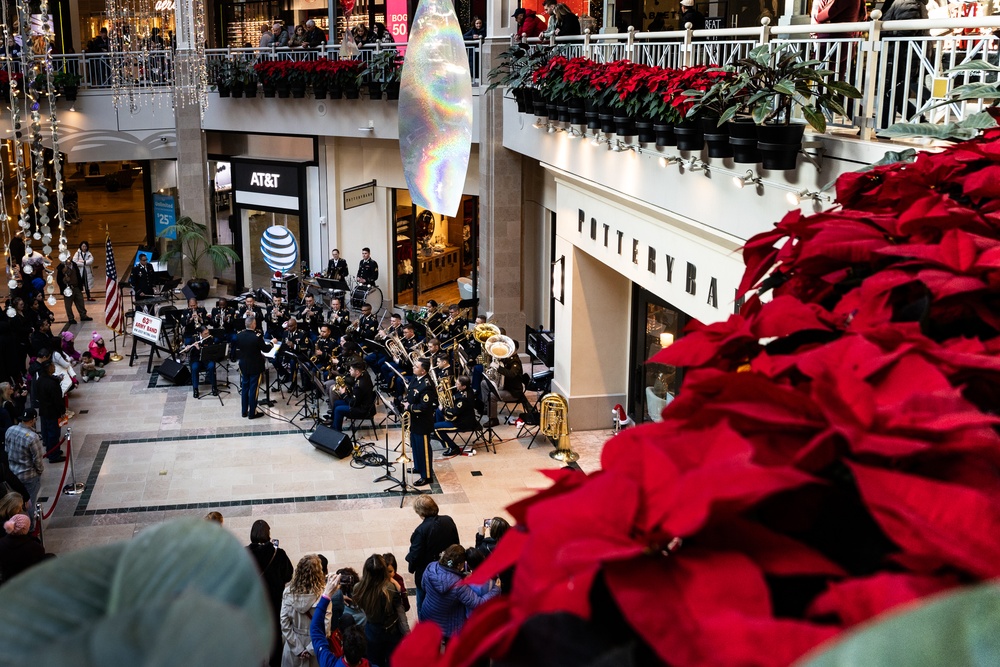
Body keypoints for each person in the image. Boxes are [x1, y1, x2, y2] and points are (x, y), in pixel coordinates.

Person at [420, 545, 500, 639]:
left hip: (427, 615)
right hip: (446, 626)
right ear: (458, 565)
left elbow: (423, 586)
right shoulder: (459, 585)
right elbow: (478, 603)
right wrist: (496, 589)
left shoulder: (431, 567)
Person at [247, 520, 294, 667]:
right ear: (268, 534)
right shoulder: (278, 554)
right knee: (275, 641)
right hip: (274, 605)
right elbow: (288, 575)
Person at [405, 494, 459, 618]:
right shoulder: (448, 520)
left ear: (420, 513)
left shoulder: (421, 530)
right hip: (447, 570)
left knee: (422, 605)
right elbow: (456, 543)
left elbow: (415, 554)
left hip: (427, 574)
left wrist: (411, 565)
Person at [352, 554, 408, 666]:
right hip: (391, 631)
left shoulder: (358, 588)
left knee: (374, 662)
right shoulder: (390, 588)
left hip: (372, 631)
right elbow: (402, 610)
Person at [281, 554, 330, 667]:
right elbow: (326, 628)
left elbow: (284, 624)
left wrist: (297, 648)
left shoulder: (288, 592)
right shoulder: (324, 596)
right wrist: (310, 650)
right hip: (316, 647)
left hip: (293, 646)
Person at [4, 409, 46, 516]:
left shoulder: (10, 430)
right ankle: (29, 528)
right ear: (33, 420)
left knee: (17, 502)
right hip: (29, 476)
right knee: (29, 502)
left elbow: (7, 450)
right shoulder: (33, 437)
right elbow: (38, 459)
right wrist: (39, 472)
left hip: (13, 474)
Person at [404, 359, 438, 487]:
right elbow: (411, 392)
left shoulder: (427, 385)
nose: (413, 367)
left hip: (422, 422)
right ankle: (418, 467)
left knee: (424, 450)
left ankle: (427, 475)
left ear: (423, 370)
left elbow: (424, 407)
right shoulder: (415, 377)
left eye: (416, 366)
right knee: (416, 446)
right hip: (414, 421)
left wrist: (409, 407)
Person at [234, 316, 272, 419]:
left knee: (245, 388)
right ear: (253, 324)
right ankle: (252, 413)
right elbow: (266, 349)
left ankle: (244, 411)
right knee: (253, 389)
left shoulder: (239, 335)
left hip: (243, 365)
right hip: (255, 366)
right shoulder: (257, 336)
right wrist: (273, 343)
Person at [0, 513, 52, 583]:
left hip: (8, 581)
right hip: (28, 581)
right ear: (25, 529)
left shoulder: (1, 543)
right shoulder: (34, 546)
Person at [433, 375, 477, 457]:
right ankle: (441, 434)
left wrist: (443, 409)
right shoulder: (465, 389)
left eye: (457, 384)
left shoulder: (464, 398)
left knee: (435, 427)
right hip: (460, 417)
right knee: (438, 412)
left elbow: (454, 413)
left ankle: (453, 447)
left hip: (461, 423)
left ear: (463, 386)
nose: (455, 385)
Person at [327, 362, 375, 432]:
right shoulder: (365, 374)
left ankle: (337, 431)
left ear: (357, 372)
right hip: (363, 403)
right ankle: (333, 425)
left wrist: (343, 394)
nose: (349, 370)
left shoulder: (359, 386)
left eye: (351, 370)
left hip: (363, 410)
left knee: (338, 410)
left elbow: (352, 403)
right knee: (337, 403)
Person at [35, 364, 66, 464]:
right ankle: (53, 455)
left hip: (44, 410)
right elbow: (57, 400)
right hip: (53, 412)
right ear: (49, 369)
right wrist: (62, 410)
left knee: (47, 432)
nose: (54, 368)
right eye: (52, 366)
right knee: (53, 433)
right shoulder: (52, 384)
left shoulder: (40, 380)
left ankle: (52, 450)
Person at [189, 325, 219, 399]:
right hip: (197, 360)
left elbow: (209, 351)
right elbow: (190, 352)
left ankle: (214, 387)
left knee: (212, 366)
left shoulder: (210, 339)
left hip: (207, 360)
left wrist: (199, 348)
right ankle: (195, 389)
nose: (207, 334)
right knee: (194, 368)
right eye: (205, 333)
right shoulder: (194, 338)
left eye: (208, 333)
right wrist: (188, 348)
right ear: (201, 334)